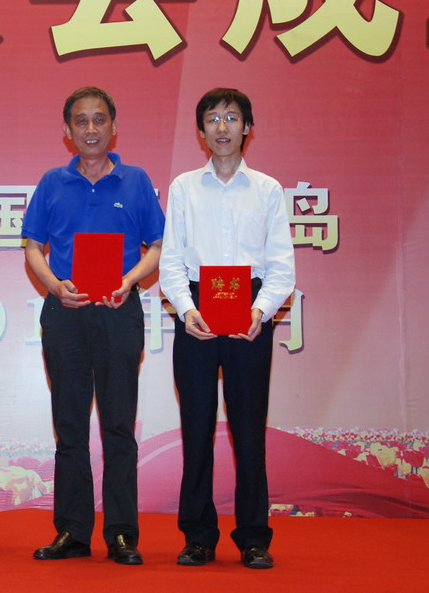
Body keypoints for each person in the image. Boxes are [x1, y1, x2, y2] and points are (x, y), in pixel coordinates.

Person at [22, 87, 164, 566]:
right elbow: (33, 246)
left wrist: (129, 279)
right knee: (70, 425)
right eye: (80, 121)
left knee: (119, 424)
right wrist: (54, 285)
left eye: (99, 119)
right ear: (67, 131)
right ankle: (72, 531)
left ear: (113, 127)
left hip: (119, 310)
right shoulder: (52, 182)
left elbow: (157, 245)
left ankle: (122, 533)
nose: (90, 129)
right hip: (65, 312)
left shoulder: (136, 180)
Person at [158, 88, 295, 569]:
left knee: (248, 430)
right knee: (196, 428)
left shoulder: (268, 189)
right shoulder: (183, 187)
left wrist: (260, 311)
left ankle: (254, 537)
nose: (222, 127)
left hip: (249, 310)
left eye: (232, 118)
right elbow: (171, 259)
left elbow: (281, 266)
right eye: (213, 119)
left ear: (247, 128)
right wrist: (184, 308)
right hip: (197, 307)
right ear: (201, 131)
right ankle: (198, 536)